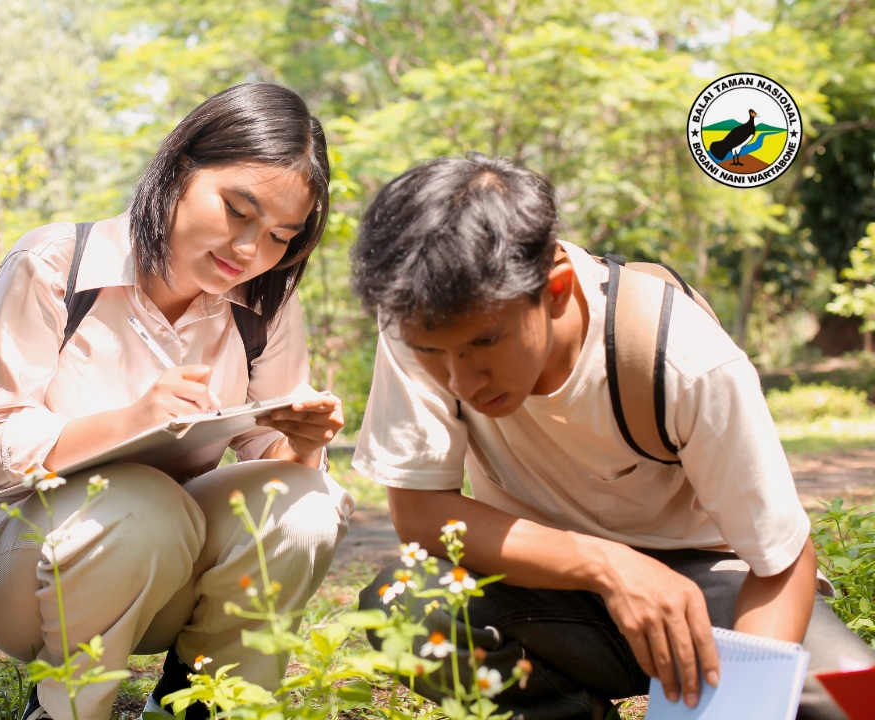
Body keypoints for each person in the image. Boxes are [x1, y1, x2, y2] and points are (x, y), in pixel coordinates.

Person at [348, 154, 875, 720]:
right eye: (432, 353)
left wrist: (739, 703)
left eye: (485, 343)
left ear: (555, 289)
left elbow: (781, 563)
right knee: (407, 604)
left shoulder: (683, 357)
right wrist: (609, 566)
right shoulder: (418, 316)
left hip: (711, 592)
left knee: (850, 697)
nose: (461, 382)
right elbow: (421, 512)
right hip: (544, 590)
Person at [0, 82, 353, 720]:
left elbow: (272, 476)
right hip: (26, 570)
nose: (249, 251)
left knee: (307, 501)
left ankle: (206, 703)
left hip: (171, 572)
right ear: (178, 167)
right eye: (237, 210)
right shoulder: (56, 264)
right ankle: (64, 708)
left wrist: (301, 447)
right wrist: (133, 421)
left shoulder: (267, 302)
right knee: (140, 501)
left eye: (280, 235)